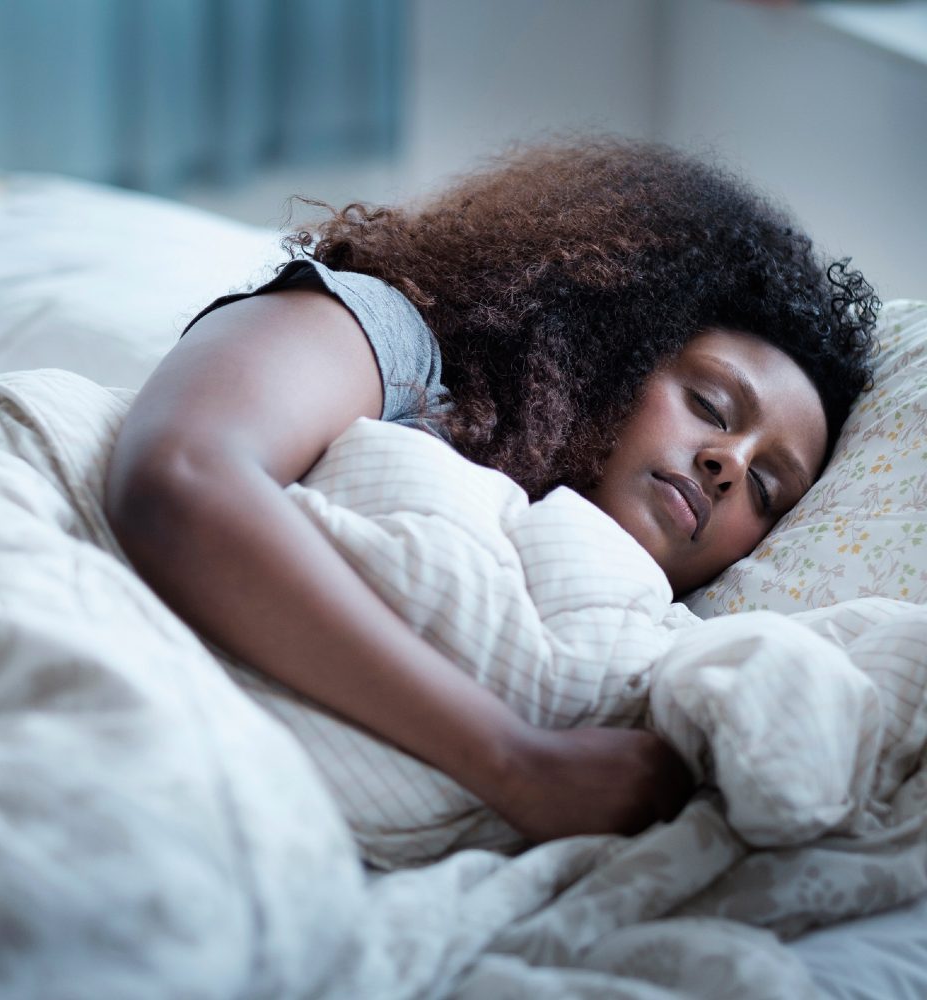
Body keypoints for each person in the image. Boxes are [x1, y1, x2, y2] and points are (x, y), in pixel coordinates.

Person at [104, 139, 878, 845]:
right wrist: (517, 764)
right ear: (608, 348)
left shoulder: (652, 644)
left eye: (768, 488)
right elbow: (183, 475)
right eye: (710, 405)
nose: (729, 465)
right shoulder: (394, 342)